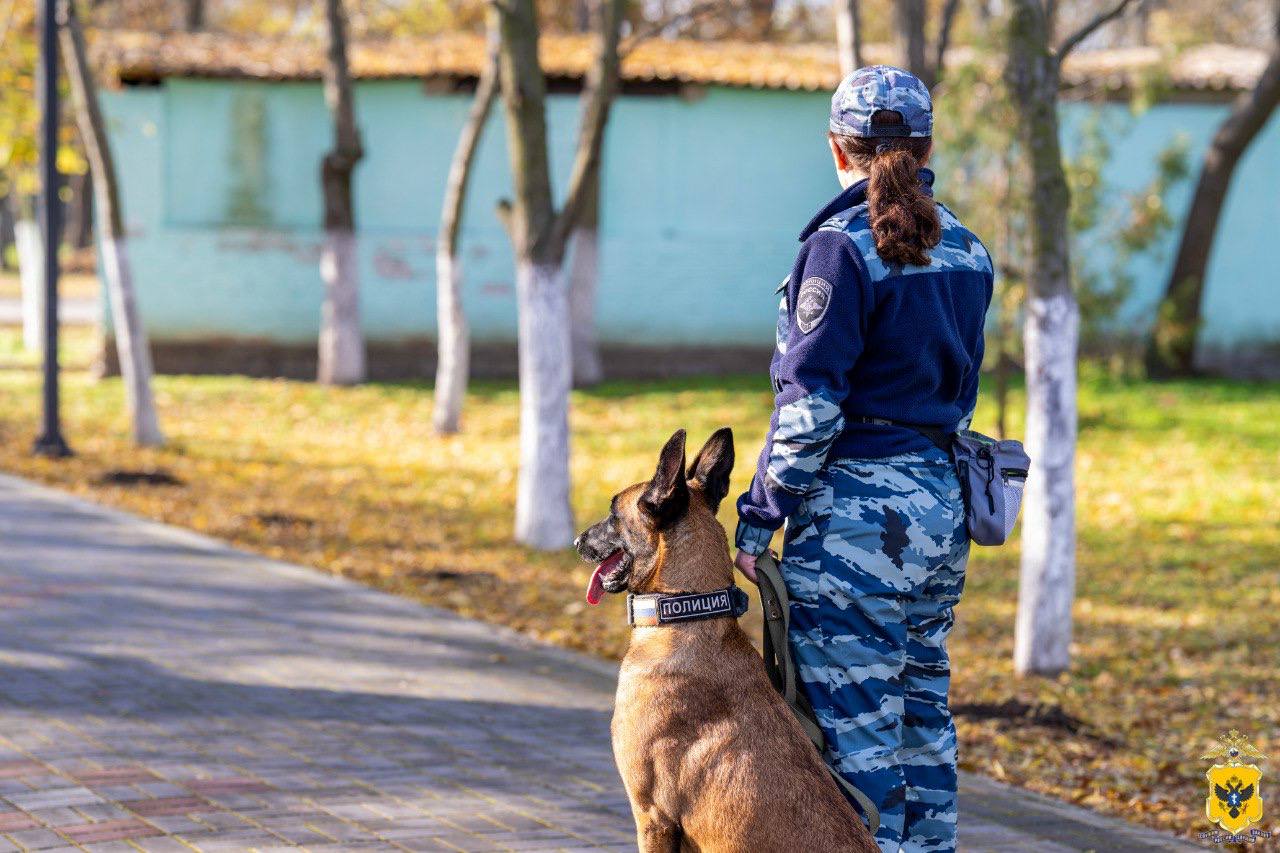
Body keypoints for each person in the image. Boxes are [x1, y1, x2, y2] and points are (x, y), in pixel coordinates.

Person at [733, 65, 993, 853]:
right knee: (922, 717)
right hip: (941, 511)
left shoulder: (837, 251)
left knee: (853, 734)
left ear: (836, 149)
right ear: (927, 147)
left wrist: (756, 519)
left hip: (852, 524)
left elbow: (811, 409)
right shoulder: (969, 251)